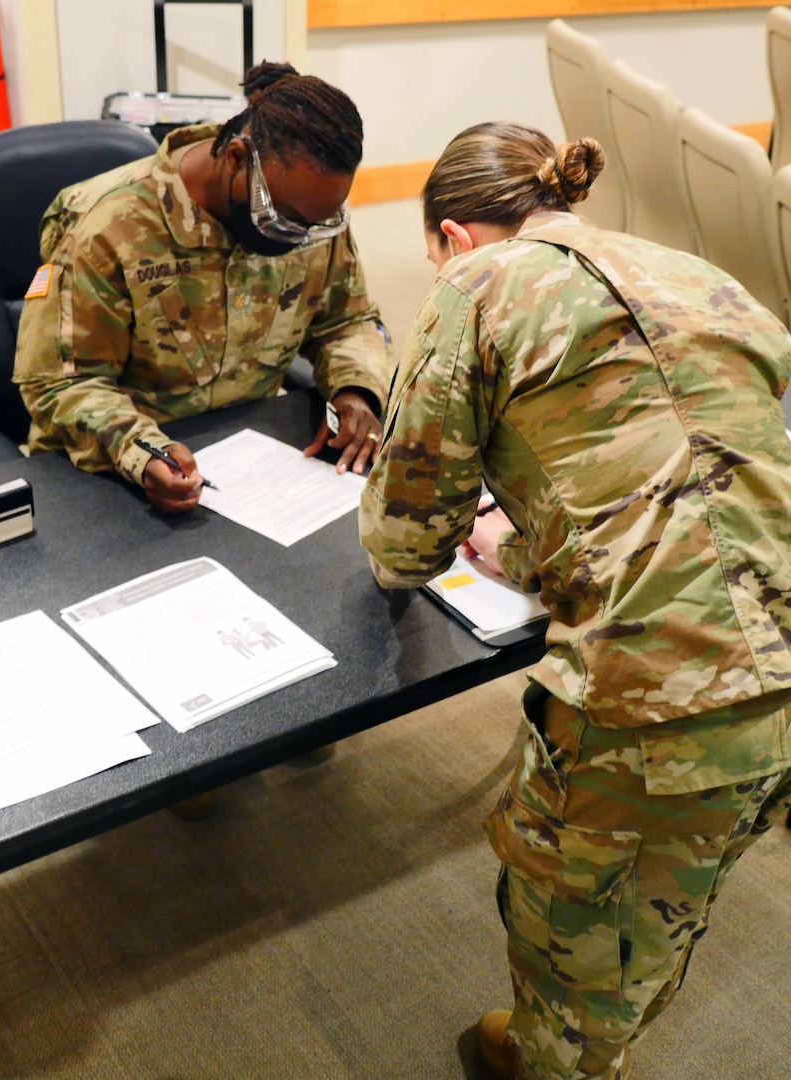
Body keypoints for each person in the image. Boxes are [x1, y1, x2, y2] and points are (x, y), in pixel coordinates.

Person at [359, 121, 791, 1079]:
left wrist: (449, 536)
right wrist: (523, 547)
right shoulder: (695, 272)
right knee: (673, 888)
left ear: (453, 238)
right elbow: (690, 490)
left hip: (656, 696)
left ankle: (561, 1058)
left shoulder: (477, 285)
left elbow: (403, 541)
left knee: (571, 922)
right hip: (779, 663)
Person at [14, 62, 393, 515]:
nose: (299, 237)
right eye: (283, 219)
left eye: (317, 224)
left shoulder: (305, 216)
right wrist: (142, 452)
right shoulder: (109, 228)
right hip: (110, 473)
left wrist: (357, 392)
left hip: (251, 468)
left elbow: (347, 320)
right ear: (235, 158)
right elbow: (59, 386)